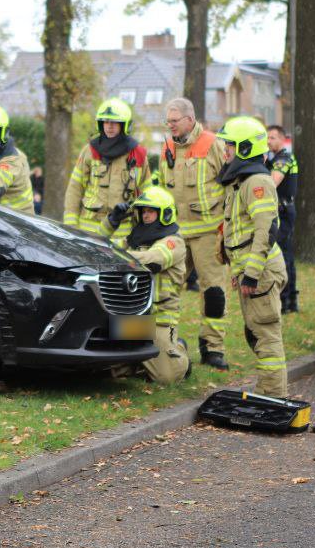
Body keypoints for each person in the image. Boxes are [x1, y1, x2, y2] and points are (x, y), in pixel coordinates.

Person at [216, 115, 288, 398]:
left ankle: (274, 396)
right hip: (250, 272)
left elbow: (265, 232)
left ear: (245, 149)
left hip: (261, 273)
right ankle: (269, 390)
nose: (226, 152)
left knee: (266, 334)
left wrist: (251, 273)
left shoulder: (257, 182)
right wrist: (239, 271)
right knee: (255, 332)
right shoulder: (240, 181)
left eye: (230, 146)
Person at [159, 97, 229, 369]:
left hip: (209, 234)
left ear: (190, 119)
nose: (171, 126)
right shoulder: (167, 146)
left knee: (213, 292)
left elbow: (231, 183)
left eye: (174, 121)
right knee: (167, 289)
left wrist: (227, 227)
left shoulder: (213, 144)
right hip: (176, 235)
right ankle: (166, 343)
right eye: (168, 121)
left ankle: (213, 348)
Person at [120, 187, 191, 384]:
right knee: (114, 371)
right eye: (143, 211)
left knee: (166, 377)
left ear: (165, 214)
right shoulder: (135, 238)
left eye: (151, 211)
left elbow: (151, 260)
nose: (146, 216)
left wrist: (119, 255)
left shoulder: (173, 242)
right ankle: (143, 361)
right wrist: (111, 221)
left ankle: (180, 351)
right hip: (134, 319)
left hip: (160, 320)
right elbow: (106, 245)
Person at [64, 97, 149, 242]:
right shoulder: (90, 151)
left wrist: (145, 227)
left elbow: (146, 193)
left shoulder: (138, 154)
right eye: (106, 122)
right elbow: (75, 188)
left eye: (114, 122)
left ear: (124, 125)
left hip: (122, 233)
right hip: (89, 229)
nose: (109, 126)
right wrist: (70, 225)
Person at [265, 124, 299, 313]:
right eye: (267, 138)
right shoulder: (274, 159)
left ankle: (285, 301)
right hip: (282, 211)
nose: (269, 141)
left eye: (272, 138)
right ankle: (291, 301)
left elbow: (272, 181)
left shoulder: (284, 158)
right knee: (287, 255)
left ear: (282, 139)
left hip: (284, 212)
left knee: (281, 256)